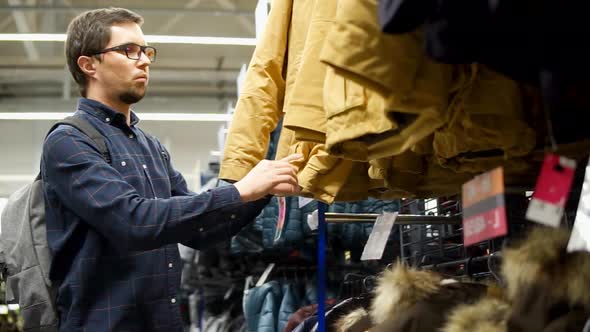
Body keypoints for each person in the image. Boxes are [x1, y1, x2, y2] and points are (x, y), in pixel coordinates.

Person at [41, 7, 301, 331]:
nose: (145, 60)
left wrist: (262, 191)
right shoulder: (69, 142)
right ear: (88, 63)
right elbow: (133, 222)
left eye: (146, 51)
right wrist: (240, 190)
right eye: (128, 50)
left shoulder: (150, 146)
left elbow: (199, 231)